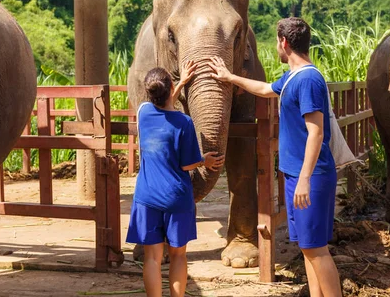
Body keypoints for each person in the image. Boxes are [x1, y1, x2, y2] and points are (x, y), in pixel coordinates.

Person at [208, 18, 342, 297]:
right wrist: (229, 77)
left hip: (311, 177)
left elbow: (315, 133)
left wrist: (305, 179)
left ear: (284, 42)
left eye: (276, 41)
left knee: (316, 249)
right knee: (307, 247)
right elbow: (266, 89)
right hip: (296, 175)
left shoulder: (308, 79)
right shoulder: (292, 77)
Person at [126, 61, 225, 297]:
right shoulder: (184, 123)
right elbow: (186, 164)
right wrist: (204, 161)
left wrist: (178, 84)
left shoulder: (143, 113)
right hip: (176, 199)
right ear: (170, 89)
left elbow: (162, 106)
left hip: (147, 197)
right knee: (179, 255)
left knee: (152, 258)